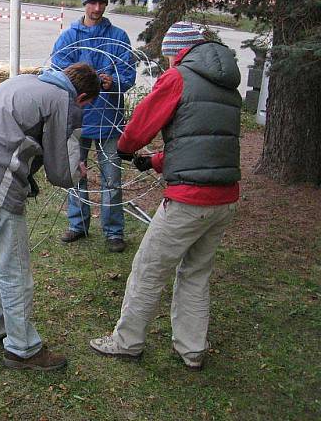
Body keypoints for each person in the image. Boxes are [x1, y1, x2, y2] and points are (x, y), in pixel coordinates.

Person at [89, 22, 241, 371]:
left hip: (189, 201)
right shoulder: (228, 84)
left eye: (169, 55)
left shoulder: (178, 78)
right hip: (224, 198)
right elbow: (204, 142)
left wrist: (127, 148)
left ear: (178, 52)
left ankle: (127, 343)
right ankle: (192, 350)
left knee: (148, 269)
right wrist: (154, 161)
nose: (169, 61)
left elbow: (140, 126)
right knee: (196, 273)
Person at [0, 63, 101, 371]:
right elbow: (60, 171)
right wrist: (77, 172)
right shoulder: (62, 100)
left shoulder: (26, 81)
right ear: (81, 96)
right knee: (11, 266)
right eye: (86, 105)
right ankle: (23, 348)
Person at [49, 0, 136, 252]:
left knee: (112, 178)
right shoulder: (69, 37)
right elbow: (58, 72)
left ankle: (113, 232)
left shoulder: (118, 37)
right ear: (84, 3)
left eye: (101, 3)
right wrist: (82, 83)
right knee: (76, 173)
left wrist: (113, 82)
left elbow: (129, 75)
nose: (97, 8)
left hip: (109, 120)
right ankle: (78, 224)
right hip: (78, 120)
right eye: (92, 2)